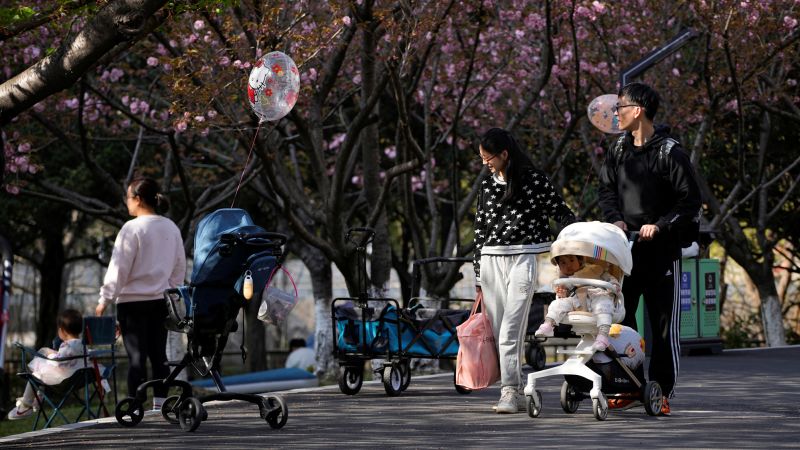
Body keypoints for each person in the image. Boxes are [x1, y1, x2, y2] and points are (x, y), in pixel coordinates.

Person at [598, 82, 702, 415]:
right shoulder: (616, 149)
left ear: (638, 109)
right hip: (624, 254)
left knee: (662, 328)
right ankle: (628, 386)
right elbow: (607, 192)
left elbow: (690, 202)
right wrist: (614, 220)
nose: (616, 114)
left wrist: (660, 224)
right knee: (622, 323)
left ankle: (661, 389)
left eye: (620, 108)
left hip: (662, 255)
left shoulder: (670, 152)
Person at [473, 127, 576, 414]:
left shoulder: (535, 180)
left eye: (488, 158)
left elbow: (560, 211)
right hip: (491, 260)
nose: (485, 164)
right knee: (497, 331)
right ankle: (515, 390)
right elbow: (479, 230)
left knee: (510, 330)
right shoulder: (487, 186)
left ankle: (508, 391)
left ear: (504, 154)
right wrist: (478, 274)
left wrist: (581, 234)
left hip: (523, 259)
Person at [96, 177, 186, 411]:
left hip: (132, 303)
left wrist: (105, 299)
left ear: (137, 199)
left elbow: (119, 268)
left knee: (137, 357)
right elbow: (179, 266)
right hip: (161, 301)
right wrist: (172, 292)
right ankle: (161, 403)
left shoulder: (131, 228)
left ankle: (135, 404)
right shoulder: (171, 227)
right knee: (159, 355)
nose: (126, 202)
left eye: (127, 197)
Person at [8, 309, 88, 420]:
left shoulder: (67, 346)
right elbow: (68, 359)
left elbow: (58, 363)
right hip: (76, 379)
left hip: (62, 381)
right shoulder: (83, 345)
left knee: (35, 374)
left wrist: (49, 355)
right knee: (43, 362)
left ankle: (25, 406)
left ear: (62, 331)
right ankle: (38, 397)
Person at [534, 254, 623, 352]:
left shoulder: (595, 269)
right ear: (559, 266)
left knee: (604, 304)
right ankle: (548, 324)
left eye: (571, 260)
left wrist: (614, 285)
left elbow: (610, 279)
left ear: (579, 260)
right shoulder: (566, 280)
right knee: (557, 304)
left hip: (596, 296)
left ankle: (603, 335)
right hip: (576, 303)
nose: (568, 265)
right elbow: (565, 296)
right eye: (563, 263)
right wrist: (563, 294)